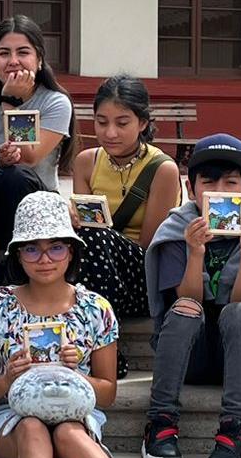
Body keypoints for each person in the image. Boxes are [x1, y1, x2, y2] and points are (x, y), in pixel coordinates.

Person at [0, 191, 132, 458]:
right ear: (18, 254)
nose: (44, 259)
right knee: (32, 427)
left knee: (69, 432)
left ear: (71, 252)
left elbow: (108, 394)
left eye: (56, 248)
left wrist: (75, 374)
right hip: (13, 420)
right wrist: (8, 378)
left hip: (76, 415)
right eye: (32, 249)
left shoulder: (95, 308)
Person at [139, 134, 241, 458]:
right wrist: (195, 251)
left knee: (240, 311)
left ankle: (235, 432)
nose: (220, 191)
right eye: (208, 182)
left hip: (233, 355)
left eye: (231, 182)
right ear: (190, 187)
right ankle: (160, 422)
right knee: (186, 307)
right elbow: (187, 297)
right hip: (188, 353)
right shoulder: (176, 229)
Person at [0, 15, 73, 285]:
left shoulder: (55, 102)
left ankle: (18, 269)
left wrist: (10, 101)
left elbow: (29, 157)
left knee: (15, 175)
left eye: (23, 52)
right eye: (4, 53)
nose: (13, 61)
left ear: (39, 59)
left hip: (36, 204)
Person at [70, 75, 182, 319]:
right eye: (102, 122)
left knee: (94, 236)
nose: (110, 133)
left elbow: (150, 246)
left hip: (141, 276)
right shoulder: (86, 162)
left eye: (122, 123)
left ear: (142, 123)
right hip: (93, 265)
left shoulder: (162, 169)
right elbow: (85, 224)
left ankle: (99, 332)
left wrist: (102, 238)